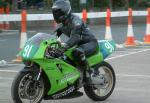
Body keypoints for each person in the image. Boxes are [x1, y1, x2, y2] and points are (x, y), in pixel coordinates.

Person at [52, 0, 99, 70]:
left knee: (77, 52)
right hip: (78, 45)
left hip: (90, 43)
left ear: (65, 11)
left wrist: (64, 47)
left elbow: (76, 37)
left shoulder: (76, 21)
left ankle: (87, 73)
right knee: (64, 57)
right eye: (55, 13)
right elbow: (53, 36)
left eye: (59, 12)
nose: (57, 15)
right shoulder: (62, 24)